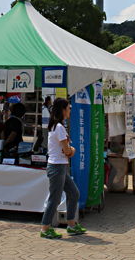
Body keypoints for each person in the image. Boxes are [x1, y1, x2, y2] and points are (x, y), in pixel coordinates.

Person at [40, 98, 85, 239]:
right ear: (63, 110)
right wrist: (72, 150)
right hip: (57, 167)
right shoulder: (58, 128)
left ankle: (71, 225)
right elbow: (67, 151)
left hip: (60, 167)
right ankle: (45, 228)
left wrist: (70, 150)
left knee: (73, 194)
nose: (70, 110)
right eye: (68, 108)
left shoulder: (58, 127)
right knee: (55, 199)